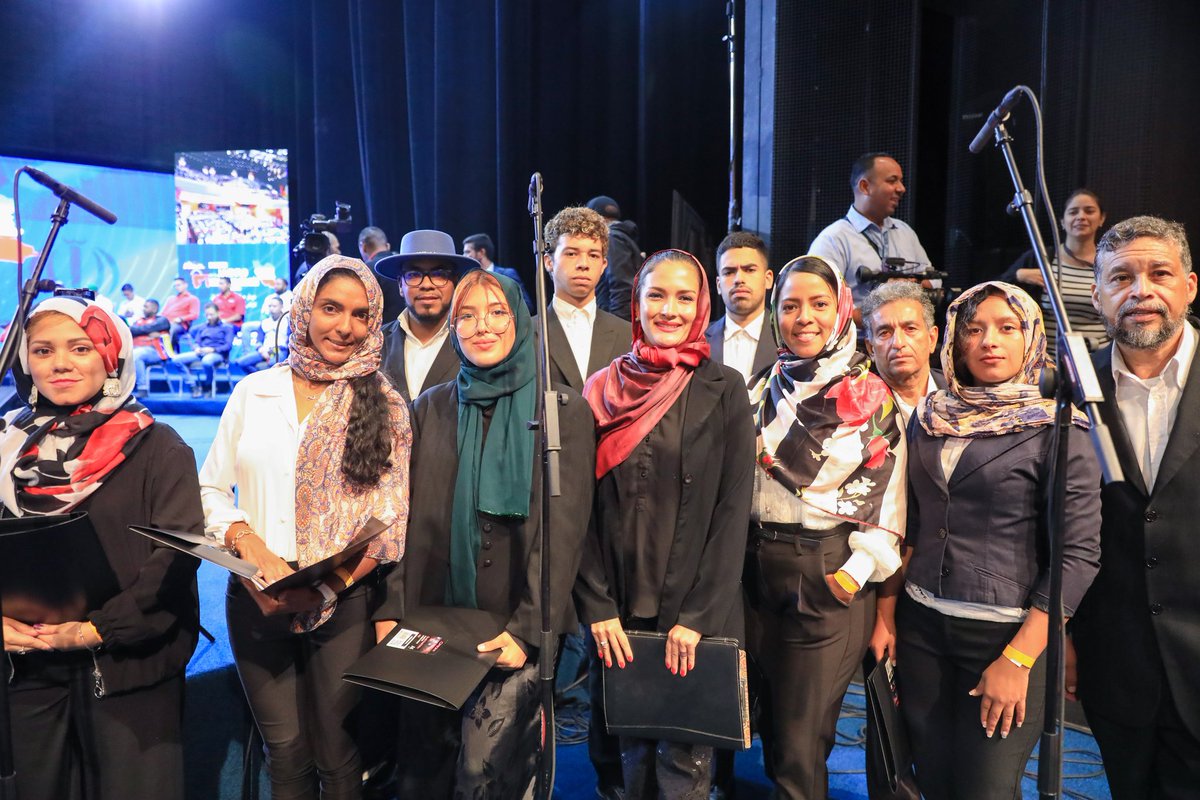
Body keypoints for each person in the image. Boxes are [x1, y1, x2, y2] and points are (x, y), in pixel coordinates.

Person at [374, 270, 595, 797]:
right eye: (467, 316)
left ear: (519, 320)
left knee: (485, 772)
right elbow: (404, 515)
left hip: (513, 623)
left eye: (497, 312)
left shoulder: (562, 410)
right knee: (422, 768)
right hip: (434, 614)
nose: (482, 327)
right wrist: (390, 606)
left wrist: (526, 630)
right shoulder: (431, 406)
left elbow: (564, 536)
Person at [199, 254, 411, 800]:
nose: (344, 326)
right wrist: (248, 546)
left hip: (343, 599)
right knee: (286, 752)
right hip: (254, 590)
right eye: (330, 308)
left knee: (337, 753)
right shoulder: (254, 390)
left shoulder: (384, 402)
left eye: (361, 315)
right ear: (303, 308)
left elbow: (388, 519)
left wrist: (323, 587)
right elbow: (210, 490)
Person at [893, 281, 1101, 799]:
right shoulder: (930, 417)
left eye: (1008, 328)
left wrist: (1019, 659)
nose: (990, 340)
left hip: (1004, 636)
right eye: (976, 328)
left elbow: (1078, 555)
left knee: (985, 788)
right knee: (931, 780)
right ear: (957, 342)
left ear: (1030, 339)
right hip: (921, 626)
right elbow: (913, 523)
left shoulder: (1059, 428)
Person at [0, 296, 202, 800]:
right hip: (26, 664)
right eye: (42, 351)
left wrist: (98, 629)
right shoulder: (6, 444)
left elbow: (174, 558)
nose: (60, 363)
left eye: (80, 347)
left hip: (127, 666)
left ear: (111, 356)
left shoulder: (159, 446)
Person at [576, 249, 755, 799]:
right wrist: (596, 606)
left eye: (684, 297)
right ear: (636, 302)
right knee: (618, 760)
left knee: (682, 768)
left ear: (702, 306)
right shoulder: (601, 388)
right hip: (615, 609)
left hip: (690, 616)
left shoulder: (725, 390)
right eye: (656, 295)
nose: (670, 310)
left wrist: (698, 616)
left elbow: (731, 513)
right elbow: (575, 511)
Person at [745, 255, 907, 800]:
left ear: (841, 311)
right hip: (753, 572)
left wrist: (853, 574)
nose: (804, 317)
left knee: (800, 743)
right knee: (767, 727)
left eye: (818, 304)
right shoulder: (763, 384)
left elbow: (890, 501)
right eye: (790, 305)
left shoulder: (873, 397)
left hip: (828, 573)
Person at [1070, 215, 1200, 799]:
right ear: (1096, 294)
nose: (1141, 290)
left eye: (1159, 273)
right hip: (1114, 660)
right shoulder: (1072, 387)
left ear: (1190, 286)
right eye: (1121, 277)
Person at [808, 153, 933, 316]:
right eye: (892, 180)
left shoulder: (905, 232)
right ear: (865, 187)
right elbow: (817, 300)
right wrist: (873, 316)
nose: (901, 188)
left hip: (908, 336)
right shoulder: (833, 239)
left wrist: (908, 287)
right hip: (858, 340)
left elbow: (934, 281)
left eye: (901, 181)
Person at [1002, 188, 1109, 356]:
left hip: (1097, 359)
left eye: (1089, 211)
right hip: (1048, 360)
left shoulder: (1109, 262)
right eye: (1073, 212)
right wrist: (1019, 275)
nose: (1081, 216)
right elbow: (991, 290)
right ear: (1062, 222)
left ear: (1101, 218)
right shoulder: (1041, 257)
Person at [376, 229, 477, 403]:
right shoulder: (376, 343)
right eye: (414, 275)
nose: (427, 285)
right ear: (400, 285)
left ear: (455, 283)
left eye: (439, 275)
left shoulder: (474, 340)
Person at [538, 206, 630, 392]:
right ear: (549, 262)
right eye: (571, 253)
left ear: (604, 265)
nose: (583, 264)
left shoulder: (628, 335)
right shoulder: (526, 334)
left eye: (593, 255)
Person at [860, 280, 943, 422]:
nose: (898, 343)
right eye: (885, 333)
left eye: (910, 329)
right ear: (871, 348)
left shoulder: (962, 394)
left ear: (932, 339)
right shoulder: (856, 409)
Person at [706, 230, 779, 387]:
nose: (739, 279)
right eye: (729, 272)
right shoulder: (697, 340)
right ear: (718, 285)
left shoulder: (787, 339)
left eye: (749, 270)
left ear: (768, 279)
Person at [589, 195, 642, 322]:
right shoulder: (624, 237)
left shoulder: (612, 239)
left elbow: (621, 286)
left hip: (614, 322)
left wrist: (617, 326)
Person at [171, 302, 234, 397]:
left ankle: (207, 385)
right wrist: (196, 348)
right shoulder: (202, 327)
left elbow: (228, 346)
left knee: (206, 361)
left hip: (217, 354)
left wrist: (213, 349)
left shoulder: (227, 327)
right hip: (201, 352)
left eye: (211, 314)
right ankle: (193, 386)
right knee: (176, 360)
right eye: (207, 315)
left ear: (218, 313)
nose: (209, 317)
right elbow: (197, 342)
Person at [463, 232, 534, 310]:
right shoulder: (469, 280)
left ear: (481, 252)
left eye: (467, 252)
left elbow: (526, 305)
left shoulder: (507, 275)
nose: (464, 256)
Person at [236, 294, 289, 373]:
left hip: (280, 350)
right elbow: (259, 341)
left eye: (274, 306)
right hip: (264, 350)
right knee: (241, 362)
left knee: (272, 364)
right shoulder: (265, 322)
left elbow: (289, 342)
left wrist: (272, 351)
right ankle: (257, 378)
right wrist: (261, 350)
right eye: (270, 306)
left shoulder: (288, 321)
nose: (271, 308)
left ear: (281, 307)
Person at [359, 225, 401, 322]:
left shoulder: (365, 270)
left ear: (364, 247)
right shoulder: (403, 265)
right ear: (387, 246)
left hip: (383, 334)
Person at [130, 297, 170, 396]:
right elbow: (130, 330)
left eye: (146, 307)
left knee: (135, 355)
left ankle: (142, 388)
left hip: (154, 352)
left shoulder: (162, 320)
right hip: (135, 349)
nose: (143, 309)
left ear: (154, 309)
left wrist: (139, 331)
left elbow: (137, 330)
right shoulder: (139, 321)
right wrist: (148, 331)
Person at [162, 276, 200, 350]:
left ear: (185, 285)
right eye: (175, 286)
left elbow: (194, 315)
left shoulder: (192, 299)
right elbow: (163, 313)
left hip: (179, 325)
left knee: (173, 329)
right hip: (166, 323)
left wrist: (181, 319)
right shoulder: (171, 299)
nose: (177, 287)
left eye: (178, 285)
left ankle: (170, 352)